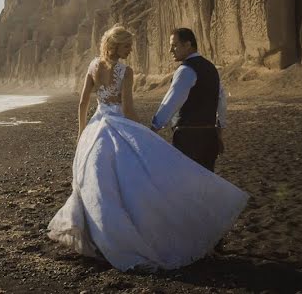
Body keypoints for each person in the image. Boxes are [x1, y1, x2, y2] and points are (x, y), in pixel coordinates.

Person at [46, 25, 248, 271]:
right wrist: (218, 128)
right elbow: (131, 109)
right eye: (127, 45)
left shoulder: (94, 66)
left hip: (98, 128)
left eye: (174, 45)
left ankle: (99, 236)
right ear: (115, 45)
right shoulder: (206, 70)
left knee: (100, 183)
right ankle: (203, 238)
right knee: (194, 181)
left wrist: (82, 132)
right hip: (203, 134)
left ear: (188, 45)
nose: (131, 49)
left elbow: (83, 102)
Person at [150, 27, 227, 172]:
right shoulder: (211, 68)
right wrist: (219, 132)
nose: (170, 50)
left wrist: (154, 127)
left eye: (174, 45)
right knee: (205, 185)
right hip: (210, 138)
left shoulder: (186, 70)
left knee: (185, 185)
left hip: (188, 139)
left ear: (188, 45)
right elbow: (221, 100)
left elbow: (172, 101)